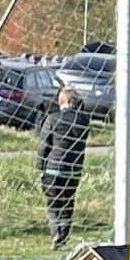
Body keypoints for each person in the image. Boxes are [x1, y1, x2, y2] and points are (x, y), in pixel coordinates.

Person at [35, 85, 89, 250]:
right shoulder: (83, 121)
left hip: (53, 169)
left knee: (54, 204)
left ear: (63, 101)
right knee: (67, 204)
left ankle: (56, 234)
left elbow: (44, 145)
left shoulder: (52, 118)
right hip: (73, 170)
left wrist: (40, 166)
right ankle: (63, 237)